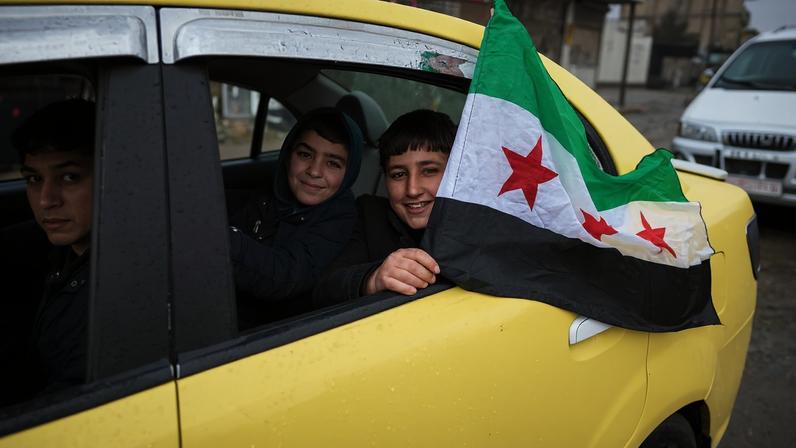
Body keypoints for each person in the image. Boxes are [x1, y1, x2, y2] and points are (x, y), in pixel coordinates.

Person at [229, 108, 363, 327]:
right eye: (305, 155)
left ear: (349, 173)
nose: (314, 171)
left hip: (275, 333)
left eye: (333, 163)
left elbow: (284, 276)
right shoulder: (271, 194)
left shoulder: (341, 218)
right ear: (289, 154)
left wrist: (222, 239)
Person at [314, 109, 456, 305]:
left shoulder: (476, 224)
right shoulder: (370, 215)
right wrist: (373, 279)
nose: (412, 189)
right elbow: (325, 288)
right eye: (398, 174)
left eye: (429, 171)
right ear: (385, 179)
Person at [8, 99, 95, 398]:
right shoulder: (65, 252)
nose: (46, 200)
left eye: (69, 177)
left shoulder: (119, 287)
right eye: (34, 179)